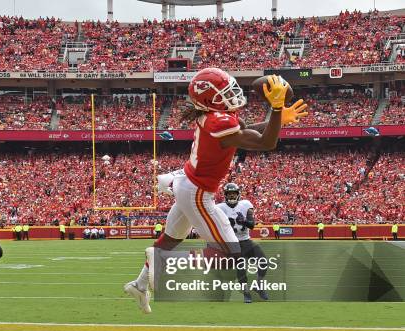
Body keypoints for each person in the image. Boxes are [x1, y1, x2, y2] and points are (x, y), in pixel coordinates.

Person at [124, 69, 307, 314]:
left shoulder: (215, 117)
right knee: (230, 253)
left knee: (169, 239)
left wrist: (278, 119)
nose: (232, 94)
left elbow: (245, 133)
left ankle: (139, 284)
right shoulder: (219, 121)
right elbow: (266, 142)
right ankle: (163, 261)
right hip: (197, 192)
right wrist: (275, 110)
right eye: (225, 92)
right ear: (211, 99)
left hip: (187, 183)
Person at [217, 183, 269, 303]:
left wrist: (244, 220)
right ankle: (246, 292)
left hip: (246, 240)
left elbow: (251, 225)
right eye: (229, 194)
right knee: (241, 268)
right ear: (225, 195)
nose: (231, 196)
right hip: (233, 243)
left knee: (263, 262)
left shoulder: (245, 204)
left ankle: (259, 286)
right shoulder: (219, 208)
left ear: (238, 194)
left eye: (233, 193)